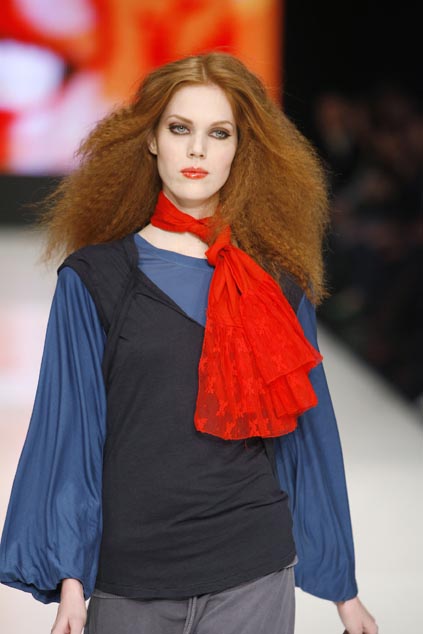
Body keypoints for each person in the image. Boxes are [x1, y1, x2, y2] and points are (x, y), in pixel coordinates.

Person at [0, 52, 378, 634]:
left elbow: (308, 437)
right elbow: (72, 431)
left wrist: (344, 591)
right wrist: (72, 581)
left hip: (253, 567)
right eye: (180, 129)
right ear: (152, 140)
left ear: (240, 149)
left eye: (218, 133)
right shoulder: (96, 278)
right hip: (131, 575)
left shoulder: (273, 284)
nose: (197, 149)